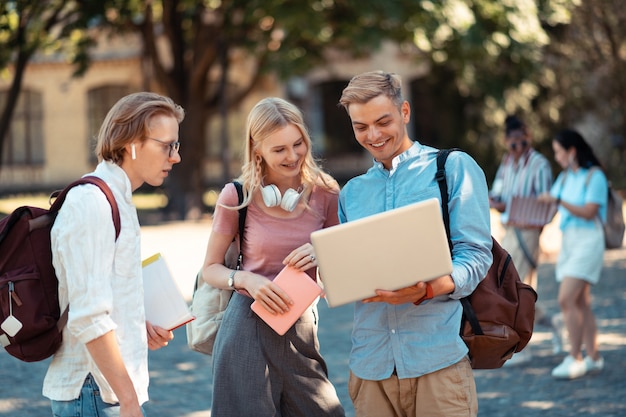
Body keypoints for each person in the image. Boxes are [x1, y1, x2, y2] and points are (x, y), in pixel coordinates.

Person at [338, 70, 492, 417]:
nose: (373, 135)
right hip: (370, 367)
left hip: (437, 360)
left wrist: (427, 289)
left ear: (405, 113)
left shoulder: (452, 168)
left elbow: (476, 255)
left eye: (383, 121)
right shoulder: (352, 194)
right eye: (360, 127)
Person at [202, 97, 345, 417]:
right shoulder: (236, 196)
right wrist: (246, 279)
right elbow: (209, 268)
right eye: (279, 150)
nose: (293, 156)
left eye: (298, 144)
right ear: (257, 150)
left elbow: (343, 267)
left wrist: (324, 252)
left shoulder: (326, 192)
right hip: (246, 326)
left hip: (301, 324)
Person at [43, 92, 184, 417]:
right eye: (167, 146)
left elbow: (102, 300)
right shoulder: (93, 203)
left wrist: (136, 326)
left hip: (104, 391)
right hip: (94, 391)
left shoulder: (116, 198)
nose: (175, 157)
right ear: (131, 143)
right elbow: (88, 315)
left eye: (176, 146)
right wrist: (129, 400)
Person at [538, 128, 607, 380]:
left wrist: (558, 201)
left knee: (566, 299)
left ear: (572, 151)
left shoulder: (594, 176)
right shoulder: (565, 178)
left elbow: (589, 211)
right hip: (569, 242)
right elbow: (551, 204)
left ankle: (575, 357)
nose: (556, 157)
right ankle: (594, 358)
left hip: (589, 242)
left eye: (558, 151)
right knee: (581, 302)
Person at [489, 115, 553, 365]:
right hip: (508, 231)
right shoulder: (506, 163)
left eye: (522, 142)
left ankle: (519, 348)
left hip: (528, 232)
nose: (518, 147)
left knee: (518, 289)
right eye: (513, 143)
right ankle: (555, 324)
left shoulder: (540, 165)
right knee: (512, 287)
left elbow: (545, 203)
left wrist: (514, 206)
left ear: (529, 137)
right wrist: (496, 201)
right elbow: (498, 191)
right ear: (506, 142)